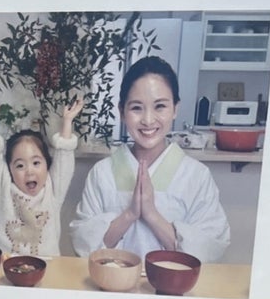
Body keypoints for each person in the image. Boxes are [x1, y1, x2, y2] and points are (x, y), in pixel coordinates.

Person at [69, 55, 230, 263]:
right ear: (122, 112)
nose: (147, 120)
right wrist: (130, 214)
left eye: (160, 106)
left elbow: (209, 247)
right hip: (113, 281)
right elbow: (84, 244)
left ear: (175, 109)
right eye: (136, 107)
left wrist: (152, 215)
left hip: (172, 284)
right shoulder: (102, 173)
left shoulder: (196, 176)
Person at [0, 96, 83, 257]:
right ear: (9, 169)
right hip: (4, 266)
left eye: (36, 163)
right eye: (20, 165)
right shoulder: (2, 187)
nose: (29, 171)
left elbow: (64, 157)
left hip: (46, 267)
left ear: (47, 165)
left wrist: (67, 121)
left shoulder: (53, 190)